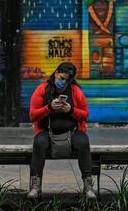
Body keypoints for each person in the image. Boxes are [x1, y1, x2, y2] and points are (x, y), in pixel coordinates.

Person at [27, 62, 96, 199]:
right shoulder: (42, 89)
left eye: (66, 79)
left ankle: (88, 186)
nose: (62, 82)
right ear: (56, 73)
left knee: (83, 142)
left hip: (72, 132)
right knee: (39, 142)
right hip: (48, 132)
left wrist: (71, 110)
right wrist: (49, 108)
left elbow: (85, 114)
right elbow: (33, 115)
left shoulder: (75, 91)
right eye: (61, 78)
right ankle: (36, 186)